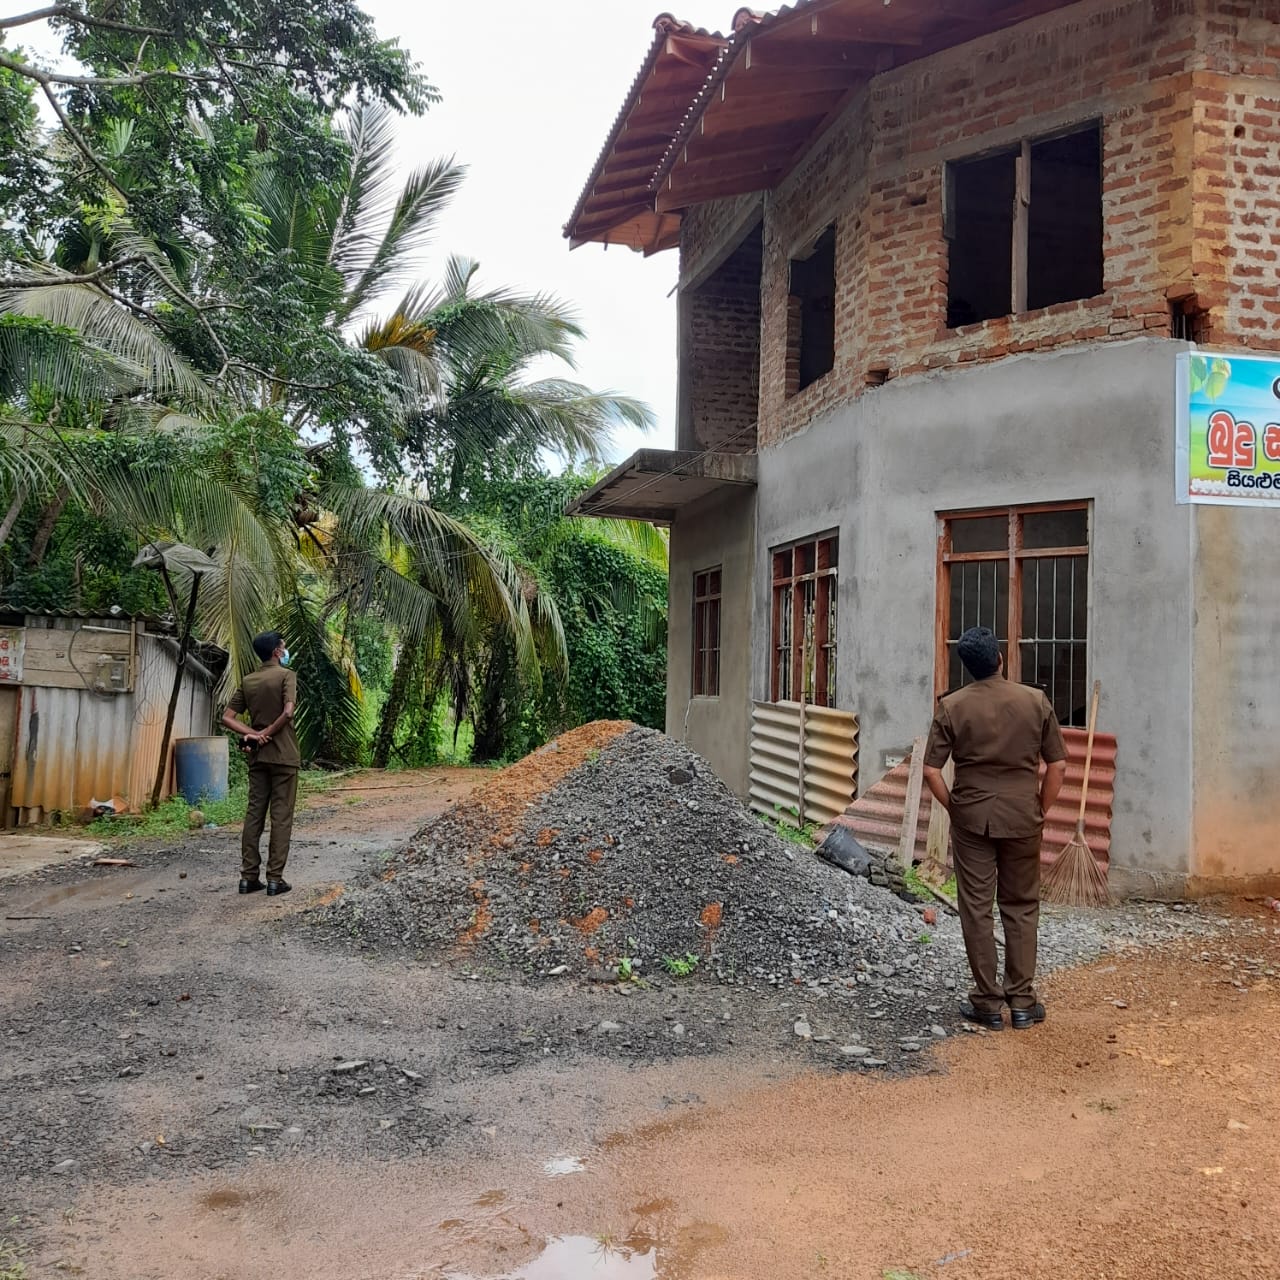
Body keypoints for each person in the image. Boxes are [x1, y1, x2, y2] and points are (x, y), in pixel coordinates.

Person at [922, 627, 1067, 1031]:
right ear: (1000, 658)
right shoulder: (1035, 701)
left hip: (972, 818)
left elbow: (931, 769)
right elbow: (1058, 765)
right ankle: (1022, 1002)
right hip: (1023, 815)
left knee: (976, 907)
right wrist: (1040, 806)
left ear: (967, 668)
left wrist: (955, 807)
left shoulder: (952, 706)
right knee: (1020, 906)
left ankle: (987, 1002)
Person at [220, 631, 300, 898]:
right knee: (281, 817)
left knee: (254, 814)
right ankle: (275, 879)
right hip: (285, 757)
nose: (285, 650)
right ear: (277, 652)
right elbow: (288, 711)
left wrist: (254, 735)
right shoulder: (286, 676)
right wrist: (270, 732)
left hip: (257, 758)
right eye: (284, 646)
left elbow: (228, 717)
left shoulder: (249, 680)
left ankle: (248, 877)